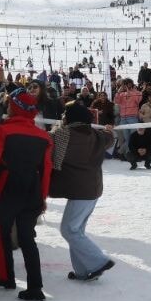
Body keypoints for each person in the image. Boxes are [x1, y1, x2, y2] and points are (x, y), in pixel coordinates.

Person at [0, 90, 52, 301]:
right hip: (33, 190)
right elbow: (46, 170)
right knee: (28, 239)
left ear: (14, 106)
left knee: (1, 235)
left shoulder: (3, 130)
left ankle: (6, 277)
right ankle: (35, 286)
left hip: (8, 187)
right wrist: (43, 198)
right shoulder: (44, 136)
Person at [50, 103, 116, 281]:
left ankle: (98, 261)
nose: (63, 117)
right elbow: (110, 138)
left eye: (65, 114)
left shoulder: (63, 134)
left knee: (69, 230)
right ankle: (83, 271)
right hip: (93, 190)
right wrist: (109, 131)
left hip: (80, 191)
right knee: (77, 231)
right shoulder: (97, 134)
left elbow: (53, 159)